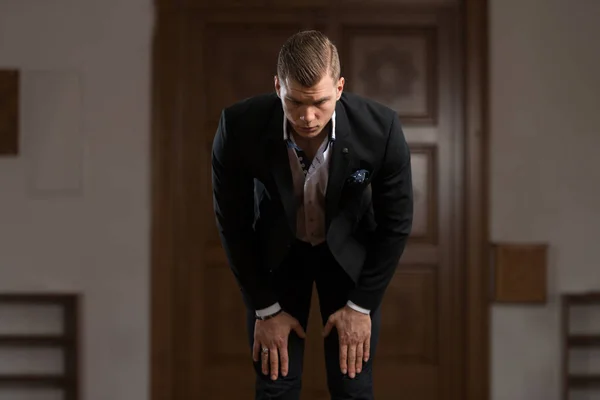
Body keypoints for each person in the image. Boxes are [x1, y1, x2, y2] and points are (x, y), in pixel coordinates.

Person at [211, 30, 413, 400]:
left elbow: (396, 224)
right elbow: (234, 225)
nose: (307, 117)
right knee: (276, 387)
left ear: (339, 87)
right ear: (277, 87)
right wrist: (265, 309)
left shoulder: (380, 130)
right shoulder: (238, 128)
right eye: (294, 102)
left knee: (352, 388)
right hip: (278, 255)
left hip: (349, 257)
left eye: (320, 102)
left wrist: (361, 304)